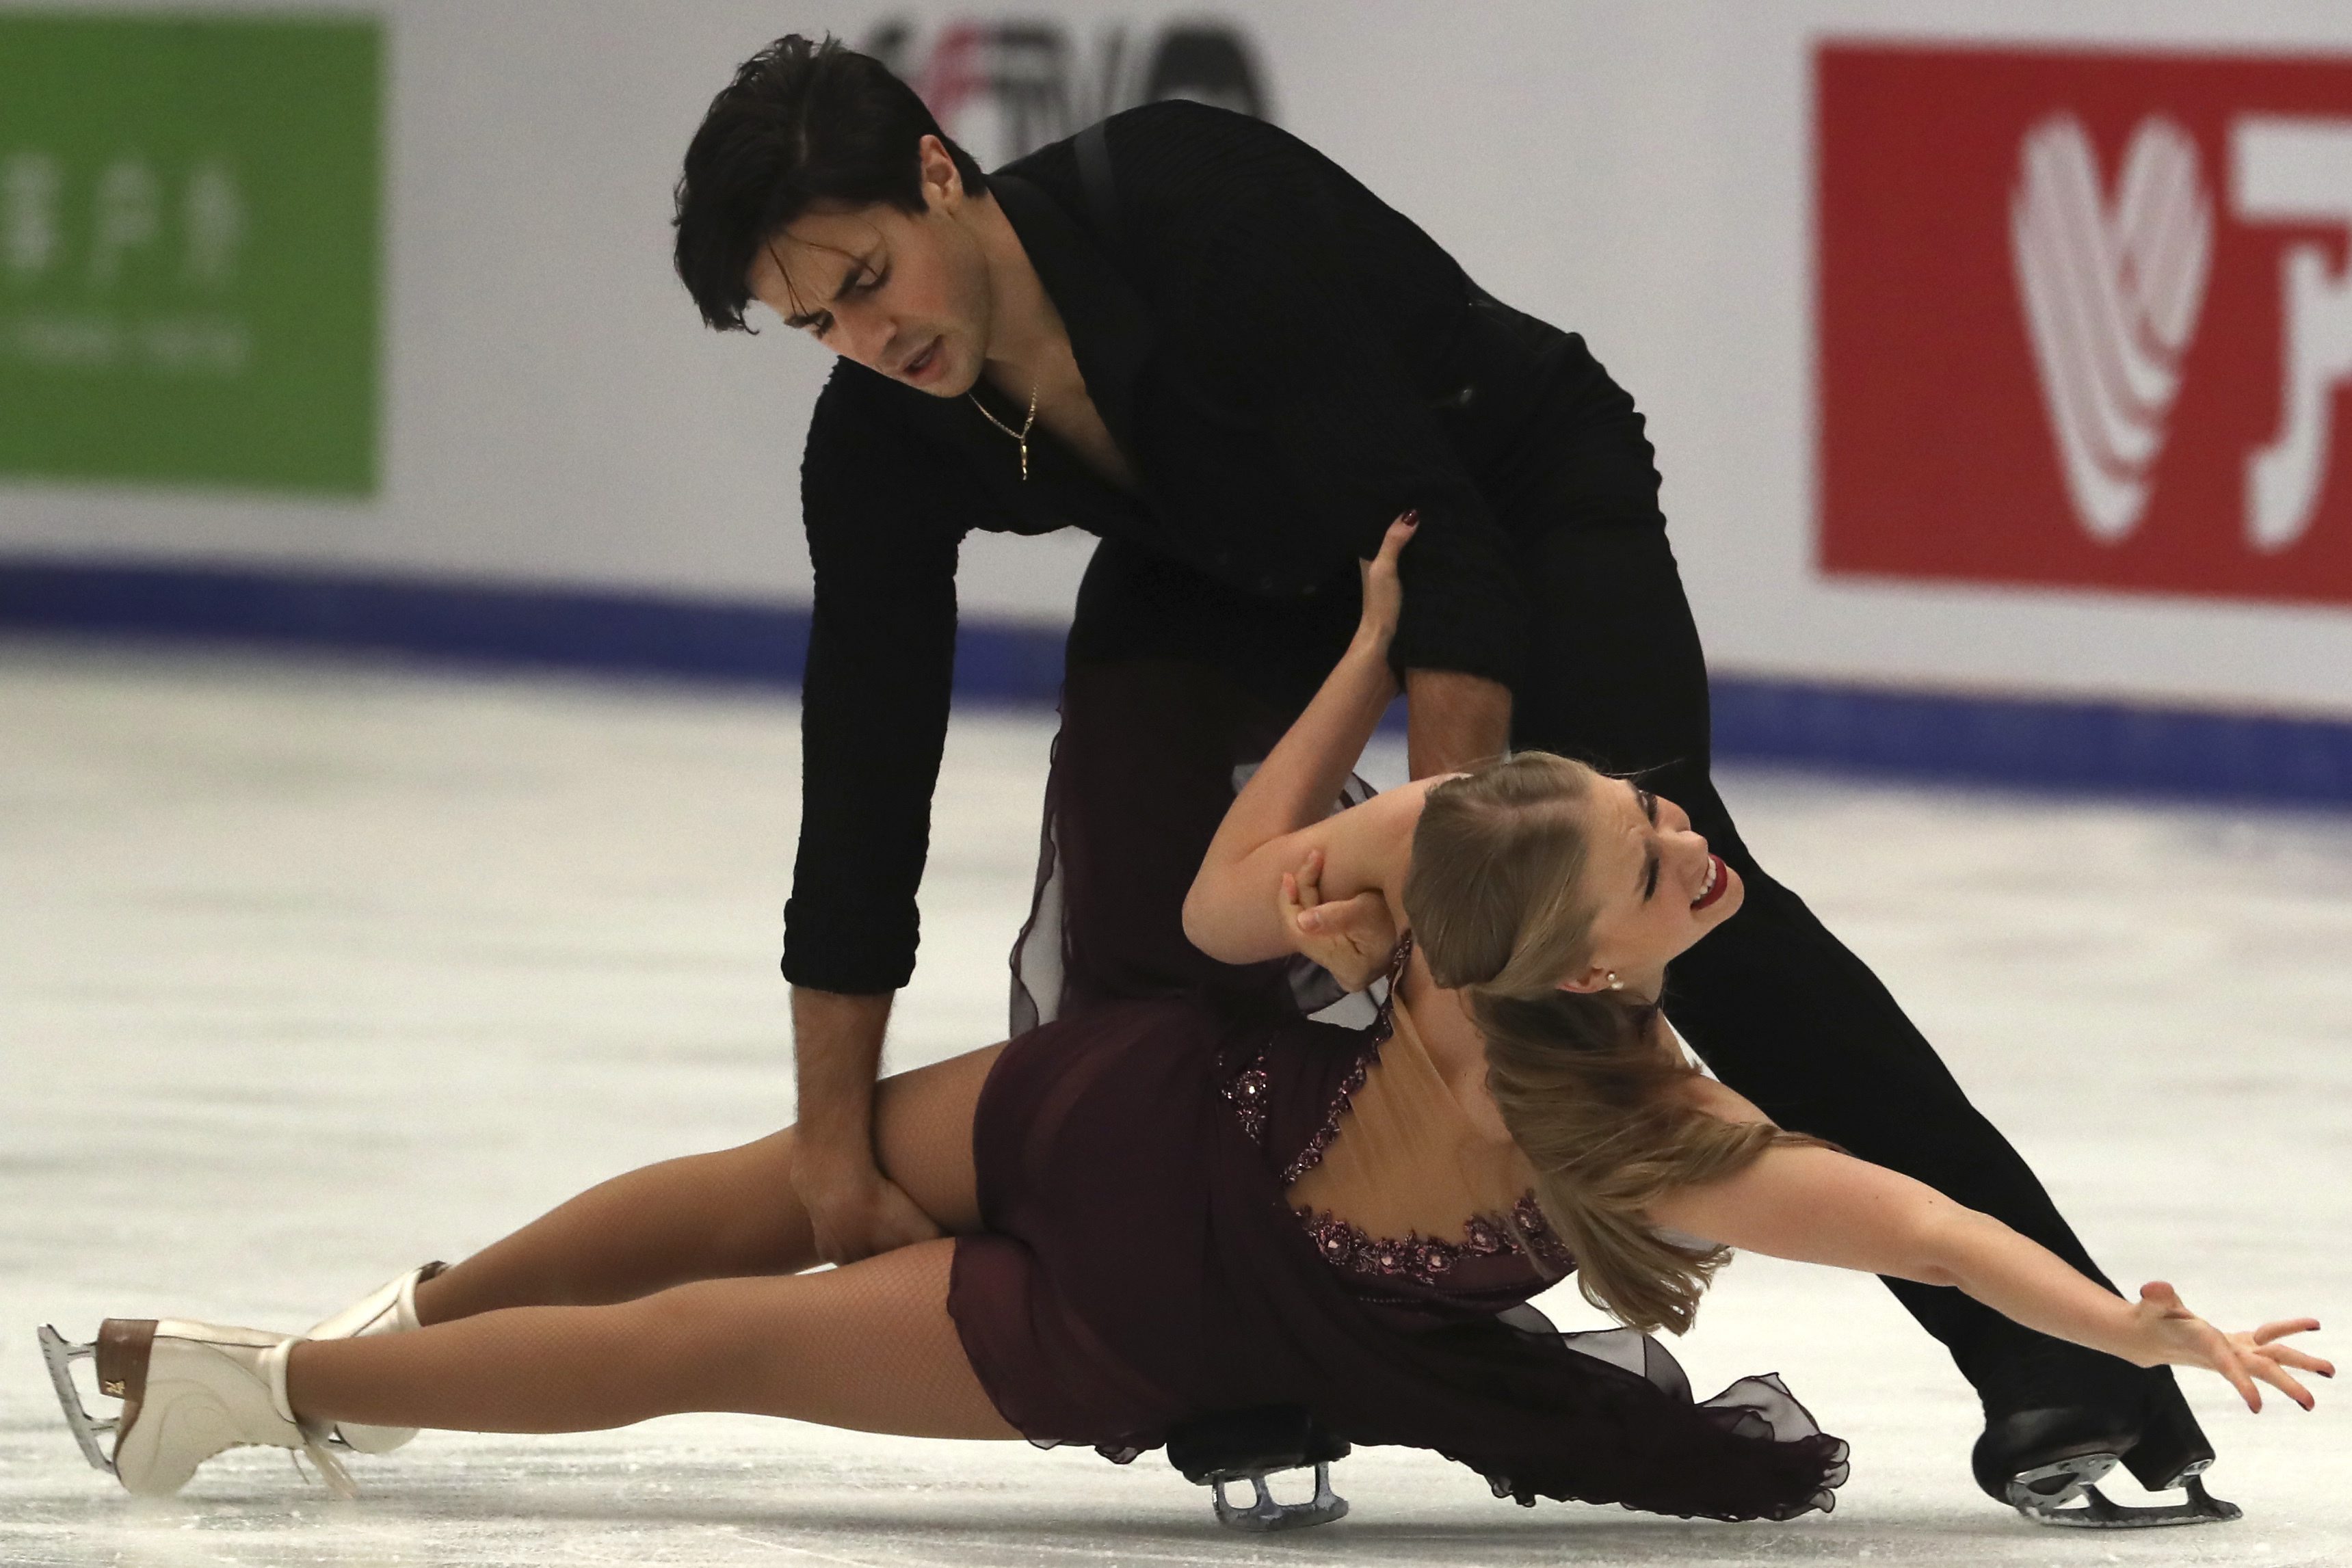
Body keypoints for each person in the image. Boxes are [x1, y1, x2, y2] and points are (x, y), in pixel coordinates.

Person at [670, 34, 2230, 1513]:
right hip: (1222, 563)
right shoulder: (880, 436)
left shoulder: (1193, 205)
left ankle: (2059, 1353)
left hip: (1507, 497)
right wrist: (826, 1146)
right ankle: (1234, 1333)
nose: (871, 342)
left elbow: (1447, 546)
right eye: (817, 327)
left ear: (943, 175)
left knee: (1672, 909)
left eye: (868, 283)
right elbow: (865, 772)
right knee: (1141, 886)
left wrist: (1457, 911)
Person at [42, 520, 2326, 1523]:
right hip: (1130, 1282)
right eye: (1662, 838)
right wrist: (2136, 1336)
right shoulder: (1658, 1134)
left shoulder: (1453, 914)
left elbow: (1228, 888)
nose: (1695, 844)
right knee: (717, 1314)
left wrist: (1356, 668)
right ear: (1587, 947)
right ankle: (286, 1375)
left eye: (1671, 841)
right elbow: (1929, 1227)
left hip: (1135, 1122)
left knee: (740, 1239)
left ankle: (345, 1350)